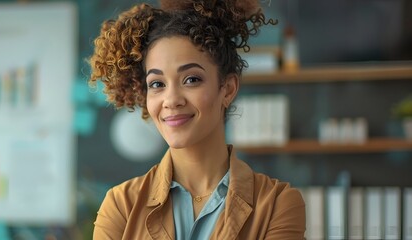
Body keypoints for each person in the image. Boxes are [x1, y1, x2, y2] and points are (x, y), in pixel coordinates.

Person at [88, 0, 306, 239]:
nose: (171, 100)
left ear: (228, 88)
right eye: (157, 84)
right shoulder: (121, 206)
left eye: (191, 79)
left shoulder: (277, 204)